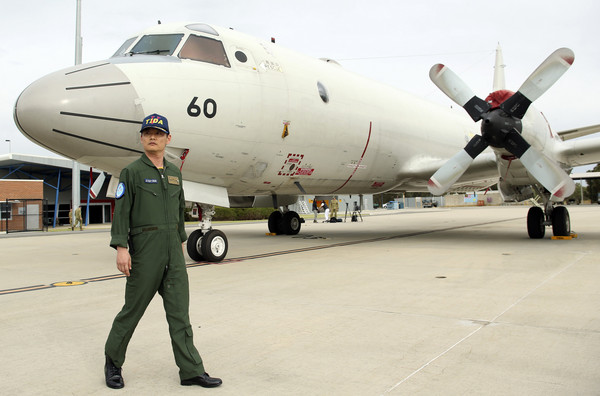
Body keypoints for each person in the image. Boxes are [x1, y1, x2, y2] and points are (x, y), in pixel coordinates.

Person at [104, 113, 221, 389]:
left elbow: (179, 211)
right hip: (145, 251)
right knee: (132, 310)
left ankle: (191, 369)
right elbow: (122, 213)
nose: (152, 137)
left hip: (173, 252)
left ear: (169, 138)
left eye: (158, 133)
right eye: (147, 133)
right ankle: (113, 362)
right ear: (142, 138)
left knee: (180, 313)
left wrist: (180, 243)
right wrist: (122, 247)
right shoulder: (132, 172)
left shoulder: (174, 173)